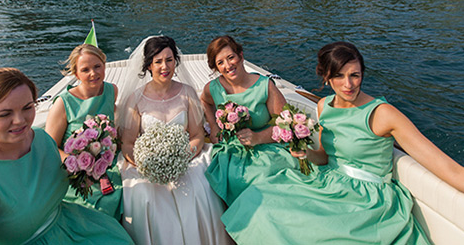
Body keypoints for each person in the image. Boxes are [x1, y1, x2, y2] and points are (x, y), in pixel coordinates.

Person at [221, 41, 464, 244]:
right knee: (256, 200)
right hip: (329, 182)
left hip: (367, 200)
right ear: (326, 77)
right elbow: (325, 157)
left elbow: (446, 167)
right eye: (339, 76)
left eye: (355, 75)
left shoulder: (383, 113)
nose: (348, 85)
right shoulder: (323, 106)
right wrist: (303, 152)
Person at [0, 68, 133, 245]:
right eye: (5, 114)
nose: (20, 121)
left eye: (27, 107)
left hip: (75, 226)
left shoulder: (39, 138)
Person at [117, 36, 231, 245]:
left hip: (186, 157)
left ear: (175, 62)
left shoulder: (187, 93)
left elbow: (197, 135)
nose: (164, 66)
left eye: (169, 60)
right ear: (149, 65)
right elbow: (127, 143)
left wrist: (182, 158)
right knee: (144, 193)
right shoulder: (137, 98)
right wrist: (146, 164)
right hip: (146, 163)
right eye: (158, 61)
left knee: (201, 185)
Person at [202, 35, 298, 206]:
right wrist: (214, 127)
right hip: (232, 151)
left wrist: (258, 138)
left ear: (241, 55)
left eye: (231, 57)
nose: (228, 65)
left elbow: (286, 125)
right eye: (220, 62)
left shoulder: (265, 86)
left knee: (264, 177)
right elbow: (205, 101)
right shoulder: (213, 88)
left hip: (266, 148)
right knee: (235, 178)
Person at [45, 44, 123, 221]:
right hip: (75, 171)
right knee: (99, 205)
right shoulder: (63, 103)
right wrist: (79, 166)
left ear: (104, 65)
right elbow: (50, 147)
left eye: (97, 66)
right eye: (85, 69)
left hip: (110, 164)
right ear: (76, 73)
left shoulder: (111, 90)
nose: (93, 74)